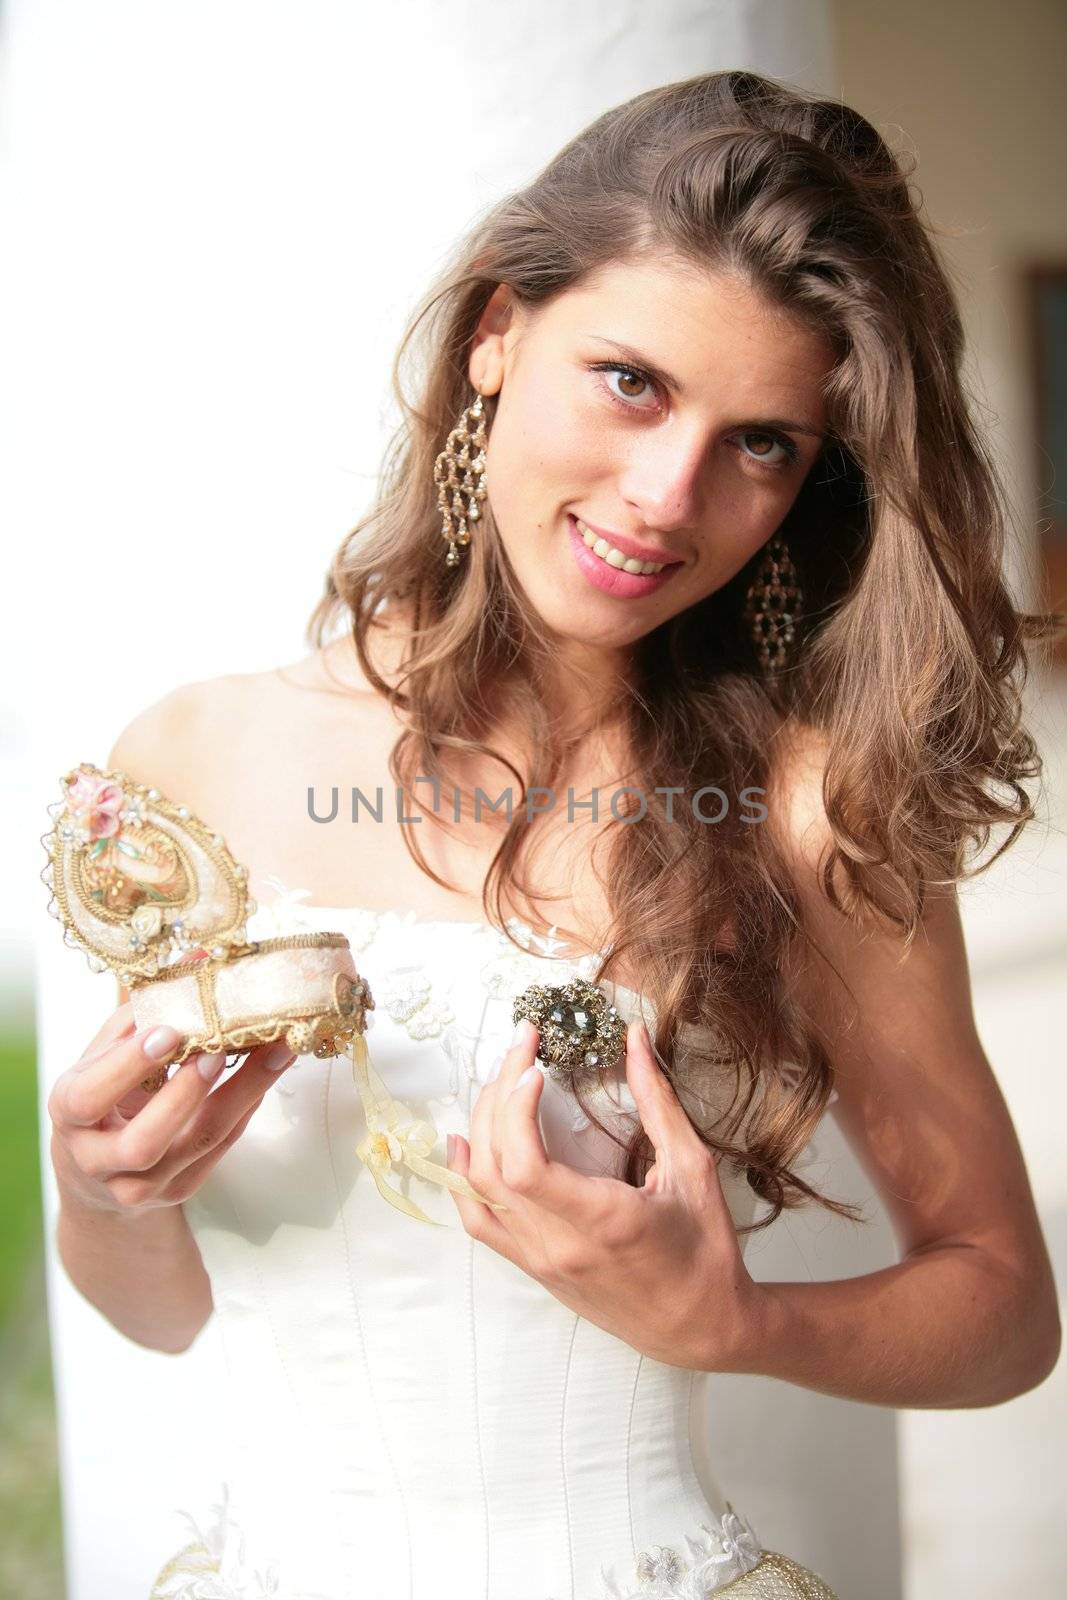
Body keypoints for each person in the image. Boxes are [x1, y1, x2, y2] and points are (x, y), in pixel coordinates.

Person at [46, 69, 1062, 1599]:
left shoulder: (804, 812)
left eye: (764, 444)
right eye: (633, 382)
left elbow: (1003, 1314)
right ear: (496, 333)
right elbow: (164, 1312)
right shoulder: (201, 758)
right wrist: (99, 1194)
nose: (668, 497)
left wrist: (733, 1322)